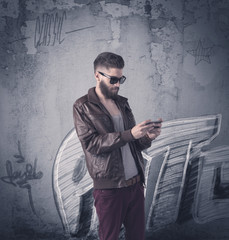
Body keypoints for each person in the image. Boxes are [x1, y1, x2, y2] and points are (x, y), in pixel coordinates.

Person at [73, 52, 162, 240]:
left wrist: (147, 137)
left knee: (137, 237)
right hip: (110, 189)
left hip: (136, 185)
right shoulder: (83, 106)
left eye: (121, 79)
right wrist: (130, 134)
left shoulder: (122, 102)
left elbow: (133, 144)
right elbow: (92, 144)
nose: (117, 84)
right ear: (97, 75)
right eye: (113, 79)